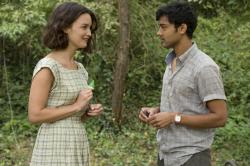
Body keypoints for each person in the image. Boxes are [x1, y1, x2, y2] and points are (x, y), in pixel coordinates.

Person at [139, 1, 227, 166]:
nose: (158, 33)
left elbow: (220, 117)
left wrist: (174, 117)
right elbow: (183, 105)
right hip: (165, 155)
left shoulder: (204, 67)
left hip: (191, 157)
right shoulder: (171, 62)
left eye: (163, 27)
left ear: (182, 28)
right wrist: (156, 112)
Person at [28, 2, 103, 165]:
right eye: (84, 27)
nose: (89, 33)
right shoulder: (48, 67)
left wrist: (86, 112)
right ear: (65, 27)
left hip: (76, 143)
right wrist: (76, 106)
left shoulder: (81, 69)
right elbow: (34, 115)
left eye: (90, 28)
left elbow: (73, 115)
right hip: (53, 147)